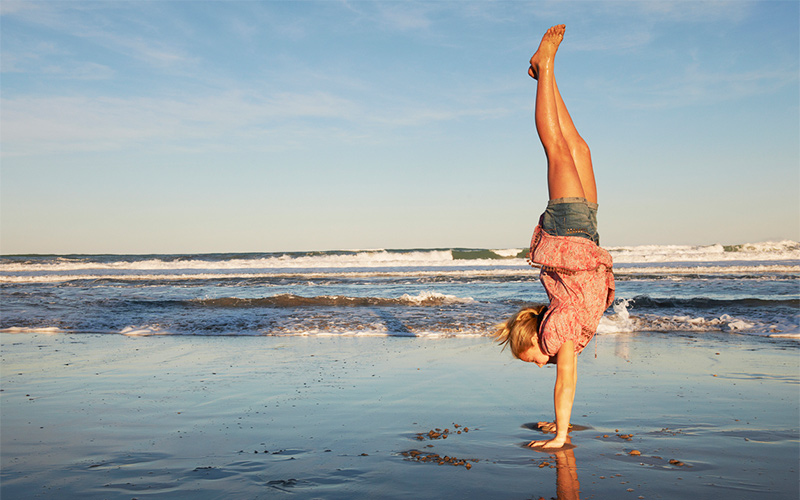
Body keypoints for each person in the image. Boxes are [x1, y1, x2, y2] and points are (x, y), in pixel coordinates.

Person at [494, 24, 615, 450]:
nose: (536, 365)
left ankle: (545, 67)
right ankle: (545, 70)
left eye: (528, 360)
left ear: (533, 344)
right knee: (579, 148)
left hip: (569, 231)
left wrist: (562, 434)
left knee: (557, 149)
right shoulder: (561, 329)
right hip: (586, 234)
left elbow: (566, 382)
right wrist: (556, 427)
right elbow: (564, 375)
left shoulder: (555, 335)